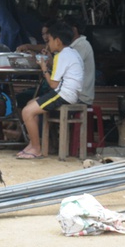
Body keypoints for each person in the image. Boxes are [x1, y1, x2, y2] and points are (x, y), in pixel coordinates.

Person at [17, 21, 83, 159]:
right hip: (69, 93)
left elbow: (53, 84)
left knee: (27, 112)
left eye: (50, 40)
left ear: (58, 41)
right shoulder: (72, 53)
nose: (49, 43)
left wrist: (44, 68)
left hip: (64, 94)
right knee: (30, 103)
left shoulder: (62, 55)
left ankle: (36, 148)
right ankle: (32, 144)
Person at [62, 14, 95, 105]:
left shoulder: (82, 46)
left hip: (81, 98)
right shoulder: (73, 46)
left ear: (74, 30)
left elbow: (65, 68)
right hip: (72, 95)